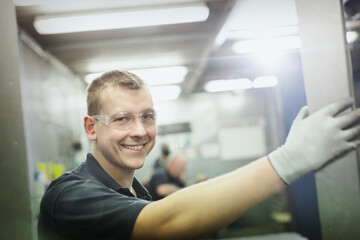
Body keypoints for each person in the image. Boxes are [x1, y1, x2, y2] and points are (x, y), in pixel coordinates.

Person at [38, 70, 360, 240]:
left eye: (147, 116)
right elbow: (166, 222)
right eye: (122, 118)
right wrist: (292, 159)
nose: (140, 130)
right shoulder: (70, 196)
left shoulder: (137, 192)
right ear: (91, 128)